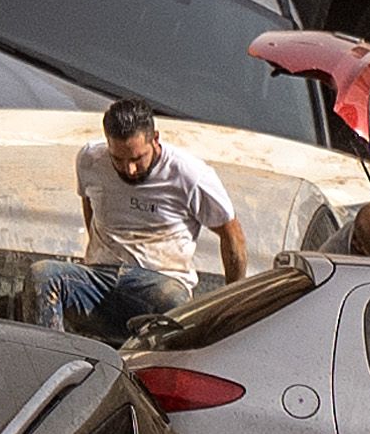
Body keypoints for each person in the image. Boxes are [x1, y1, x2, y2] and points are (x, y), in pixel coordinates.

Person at [37, 100, 249, 344]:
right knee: (44, 275)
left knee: (174, 305)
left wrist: (231, 305)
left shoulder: (191, 175)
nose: (130, 168)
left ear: (155, 139)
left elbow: (232, 234)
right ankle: (49, 356)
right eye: (118, 159)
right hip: (100, 277)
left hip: (158, 281)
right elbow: (90, 204)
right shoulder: (90, 160)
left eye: (138, 158)